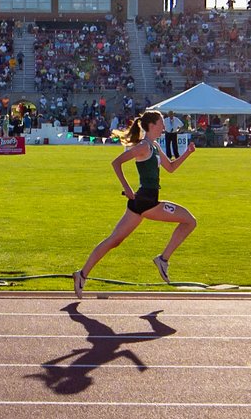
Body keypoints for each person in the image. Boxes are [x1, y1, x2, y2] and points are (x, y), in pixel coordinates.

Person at [74, 107, 196, 292]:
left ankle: (81, 274)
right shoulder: (143, 147)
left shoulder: (154, 146)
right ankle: (162, 259)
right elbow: (116, 163)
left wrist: (187, 153)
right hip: (147, 202)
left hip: (142, 203)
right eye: (161, 123)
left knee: (114, 240)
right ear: (152, 125)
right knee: (189, 220)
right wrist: (127, 187)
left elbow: (170, 167)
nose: (164, 126)